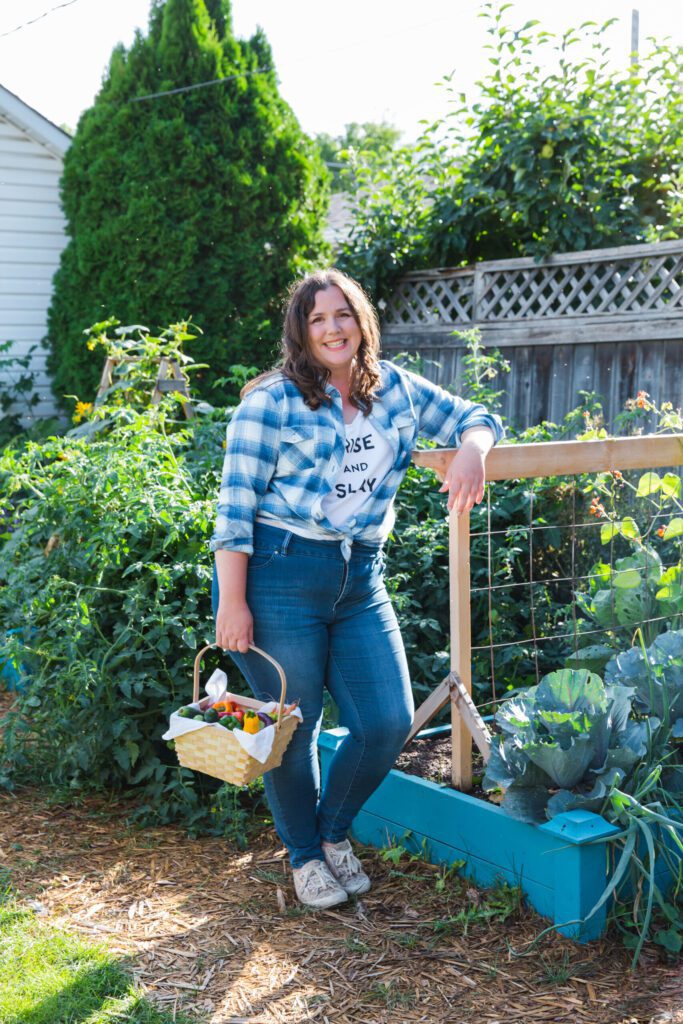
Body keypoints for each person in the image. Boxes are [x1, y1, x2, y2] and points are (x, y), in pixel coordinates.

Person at [210, 268, 503, 910]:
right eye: (317, 319)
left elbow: (476, 416)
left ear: (361, 321)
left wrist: (472, 451)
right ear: (301, 332)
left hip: (359, 577)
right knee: (293, 726)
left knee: (386, 721)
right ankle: (306, 856)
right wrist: (232, 603)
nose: (332, 327)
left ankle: (333, 833)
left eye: (342, 314)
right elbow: (233, 512)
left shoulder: (394, 389)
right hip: (278, 574)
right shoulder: (272, 403)